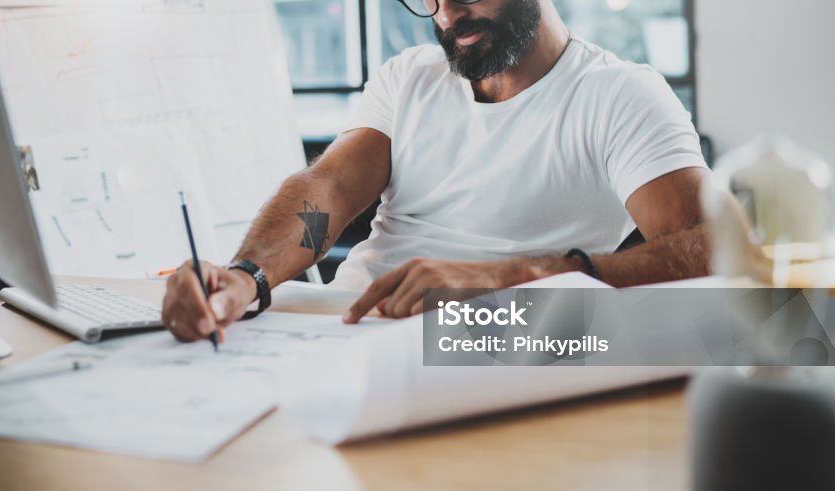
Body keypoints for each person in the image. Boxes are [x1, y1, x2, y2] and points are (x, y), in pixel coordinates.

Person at [161, 0, 710, 343]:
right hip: (340, 330)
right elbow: (326, 188)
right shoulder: (409, 78)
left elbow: (715, 246)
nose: (446, 13)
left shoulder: (620, 95)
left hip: (482, 348)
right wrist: (245, 278)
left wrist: (515, 278)